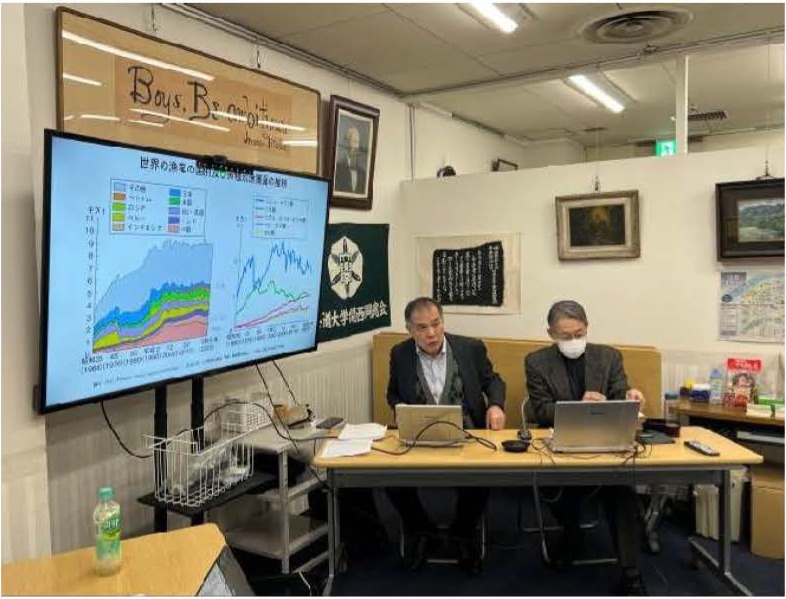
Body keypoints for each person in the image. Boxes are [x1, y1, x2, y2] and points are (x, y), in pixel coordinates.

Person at [525, 300, 647, 596]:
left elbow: (620, 398)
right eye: (565, 336)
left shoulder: (609, 357)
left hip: (606, 448)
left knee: (623, 493)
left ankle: (631, 572)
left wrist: (630, 399)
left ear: (587, 328)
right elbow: (541, 410)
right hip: (560, 448)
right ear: (551, 334)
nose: (573, 341)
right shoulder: (536, 361)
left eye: (578, 334)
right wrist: (577, 406)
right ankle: (570, 534)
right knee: (556, 488)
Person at [386, 297, 506, 574]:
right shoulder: (400, 354)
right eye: (422, 327)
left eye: (436, 324)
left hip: (466, 434)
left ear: (443, 321)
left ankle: (463, 532)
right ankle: (421, 529)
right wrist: (400, 409)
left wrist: (496, 405)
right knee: (389, 478)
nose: (431, 333)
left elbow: (493, 381)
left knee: (481, 475)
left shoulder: (470, 348)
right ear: (409, 329)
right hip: (419, 436)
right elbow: (392, 393)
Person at [334, 124, 367, 194]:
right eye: (354, 142)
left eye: (357, 142)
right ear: (346, 143)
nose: (357, 147)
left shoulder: (362, 172)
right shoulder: (337, 168)